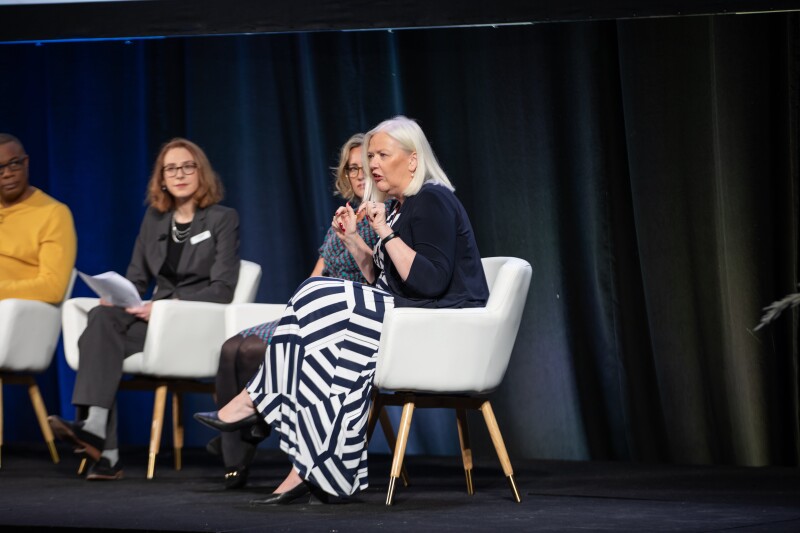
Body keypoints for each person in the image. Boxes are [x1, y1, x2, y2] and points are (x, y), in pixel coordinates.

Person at [195, 116, 489, 504]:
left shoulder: (432, 199)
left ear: (413, 160)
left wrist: (384, 233)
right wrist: (353, 239)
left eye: (383, 155)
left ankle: (259, 400)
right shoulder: (401, 207)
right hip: (408, 318)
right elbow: (380, 279)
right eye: (371, 157)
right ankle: (314, 467)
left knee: (321, 296)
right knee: (323, 330)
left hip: (438, 328)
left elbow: (431, 281)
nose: (374, 165)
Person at [48, 138, 240, 481]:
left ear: (201, 172)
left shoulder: (222, 219)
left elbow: (223, 290)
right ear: (161, 178)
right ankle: (98, 439)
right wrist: (116, 297)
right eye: (171, 168)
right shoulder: (154, 220)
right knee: (100, 317)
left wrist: (168, 306)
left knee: (99, 333)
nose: (179, 174)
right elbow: (136, 281)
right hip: (155, 322)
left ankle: (103, 449)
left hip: (193, 324)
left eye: (187, 166)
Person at [210, 133, 387, 489]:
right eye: (351, 169)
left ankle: (244, 441)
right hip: (315, 309)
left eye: (364, 167)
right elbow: (317, 272)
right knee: (233, 347)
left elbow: (377, 282)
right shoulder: (343, 215)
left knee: (257, 350)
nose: (357, 175)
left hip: (346, 320)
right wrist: (295, 310)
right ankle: (242, 439)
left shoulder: (385, 216)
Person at [0, 133, 77, 304]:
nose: (7, 174)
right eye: (0, 168)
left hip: (13, 315)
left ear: (26, 163)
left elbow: (53, 287)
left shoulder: (53, 213)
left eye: (14, 164)